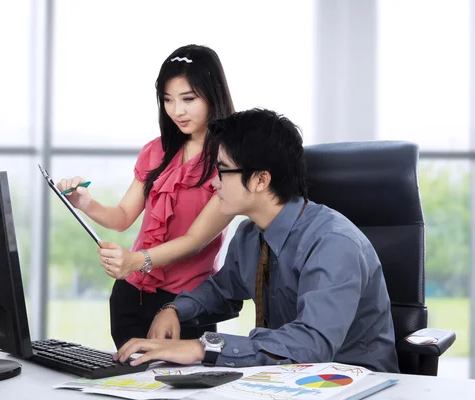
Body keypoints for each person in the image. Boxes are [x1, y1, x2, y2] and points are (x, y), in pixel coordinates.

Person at [113, 108, 400, 373]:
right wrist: (174, 309)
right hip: (286, 381)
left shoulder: (333, 243)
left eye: (222, 171)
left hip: (355, 382)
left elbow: (313, 344)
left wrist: (203, 347)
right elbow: (221, 291)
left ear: (261, 180)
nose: (214, 183)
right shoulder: (251, 235)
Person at [57, 44, 236, 349]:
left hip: (185, 306)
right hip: (131, 295)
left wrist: (135, 260)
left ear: (214, 93)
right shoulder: (157, 150)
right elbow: (123, 217)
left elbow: (195, 240)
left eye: (188, 99)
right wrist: (86, 203)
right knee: (130, 389)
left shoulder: (231, 160)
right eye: (167, 100)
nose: (176, 110)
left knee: (182, 392)